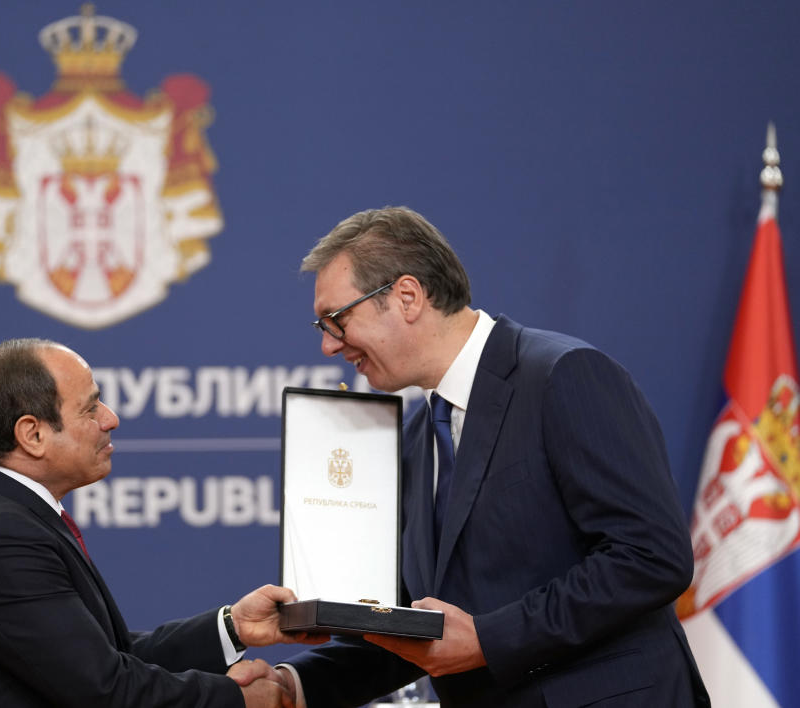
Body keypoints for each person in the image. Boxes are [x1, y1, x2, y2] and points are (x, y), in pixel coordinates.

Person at [275, 207, 710, 707]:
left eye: (336, 319)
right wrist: (294, 685)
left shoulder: (563, 377)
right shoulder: (415, 441)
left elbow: (651, 556)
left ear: (407, 297)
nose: (329, 345)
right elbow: (412, 630)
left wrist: (488, 640)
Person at [0, 338, 319, 707]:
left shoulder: (1, 512)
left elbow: (111, 657)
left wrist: (231, 627)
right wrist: (237, 699)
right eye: (90, 406)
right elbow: (106, 691)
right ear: (33, 435)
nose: (110, 418)